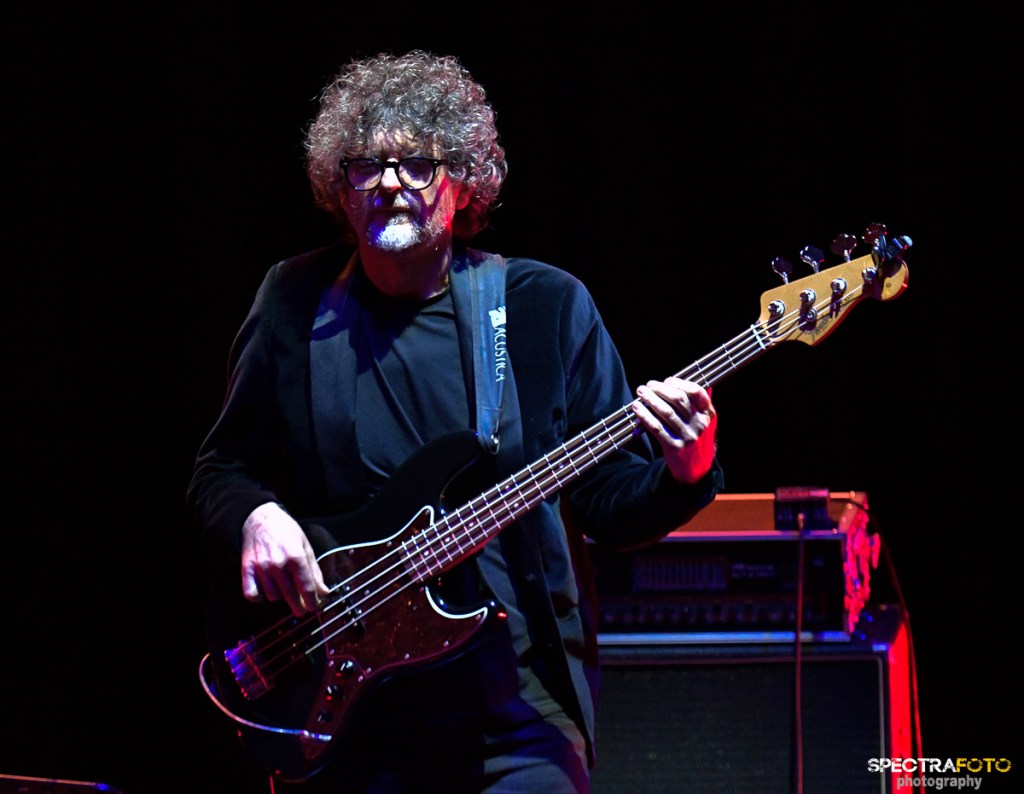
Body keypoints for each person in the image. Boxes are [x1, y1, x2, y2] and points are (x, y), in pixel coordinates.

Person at [187, 50, 723, 794]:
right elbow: (222, 469)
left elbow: (608, 504)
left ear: (464, 180)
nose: (389, 184)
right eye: (365, 166)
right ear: (340, 189)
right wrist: (256, 515)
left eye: (416, 164)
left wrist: (686, 469)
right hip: (349, 712)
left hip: (515, 717)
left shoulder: (542, 307)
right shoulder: (294, 299)